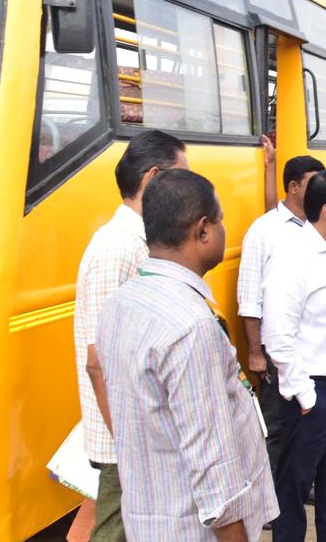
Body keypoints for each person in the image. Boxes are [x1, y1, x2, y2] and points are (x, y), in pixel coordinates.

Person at [96, 169, 277, 541]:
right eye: (221, 219)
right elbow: (213, 464)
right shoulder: (190, 326)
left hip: (150, 515)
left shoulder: (123, 300)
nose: (225, 229)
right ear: (203, 230)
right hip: (190, 527)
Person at [74, 129, 186, 542]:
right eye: (181, 177)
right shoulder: (116, 247)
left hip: (143, 430)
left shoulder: (140, 240)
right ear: (152, 178)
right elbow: (98, 360)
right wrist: (130, 442)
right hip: (128, 437)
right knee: (116, 530)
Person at [263, 169, 326, 541]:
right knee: (293, 484)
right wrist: (305, 395)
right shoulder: (293, 259)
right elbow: (278, 335)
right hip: (311, 392)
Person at [236, 155, 325, 524]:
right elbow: (249, 296)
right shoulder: (265, 230)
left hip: (317, 353)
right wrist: (256, 352)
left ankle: (299, 488)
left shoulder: (322, 225)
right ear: (293, 187)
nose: (321, 189)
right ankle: (270, 504)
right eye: (313, 182)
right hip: (277, 352)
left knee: (312, 424)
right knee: (276, 428)